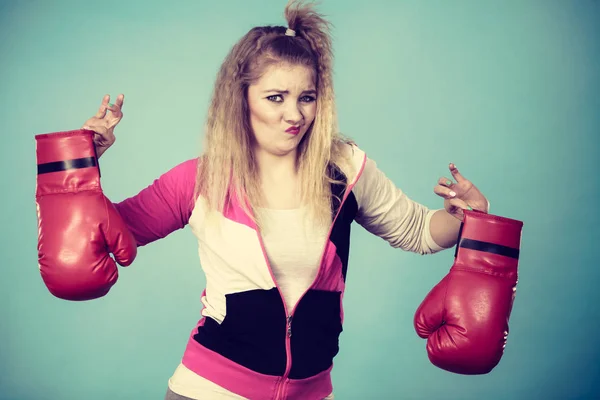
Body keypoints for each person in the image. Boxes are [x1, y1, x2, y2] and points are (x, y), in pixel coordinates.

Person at [81, 1, 490, 399]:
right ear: (241, 99)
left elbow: (418, 230)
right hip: (211, 389)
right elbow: (101, 238)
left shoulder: (345, 169)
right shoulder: (201, 178)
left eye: (306, 98)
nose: (294, 115)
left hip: (311, 391)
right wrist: (81, 162)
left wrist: (460, 215)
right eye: (275, 97)